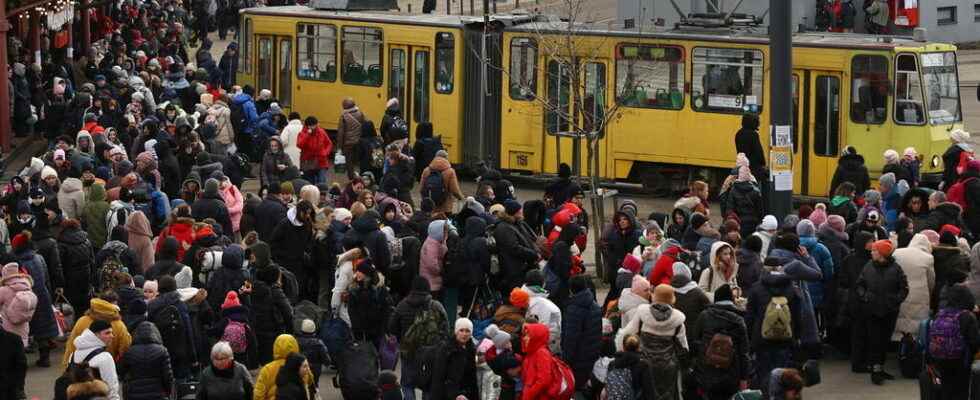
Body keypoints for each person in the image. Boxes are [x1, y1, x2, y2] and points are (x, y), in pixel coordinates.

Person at [617, 284, 688, 400]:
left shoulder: (642, 313)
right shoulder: (678, 321)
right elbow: (683, 348)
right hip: (667, 367)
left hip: (644, 363)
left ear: (654, 296)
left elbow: (626, 334)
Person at [745, 258, 804, 393]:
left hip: (762, 338)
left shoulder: (756, 288)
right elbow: (798, 316)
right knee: (783, 373)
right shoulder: (792, 289)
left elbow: (750, 316)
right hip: (785, 338)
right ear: (780, 268)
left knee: (763, 372)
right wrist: (798, 336)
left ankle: (767, 395)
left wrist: (750, 338)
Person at [854, 240, 908, 384]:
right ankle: (876, 370)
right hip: (872, 309)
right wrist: (864, 297)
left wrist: (895, 301)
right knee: (874, 341)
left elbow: (904, 288)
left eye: (874, 250)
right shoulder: (868, 266)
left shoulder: (896, 268)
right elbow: (860, 284)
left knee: (884, 340)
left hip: (889, 310)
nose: (871, 252)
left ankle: (880, 368)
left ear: (882, 253)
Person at [691, 285, 751, 400]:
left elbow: (695, 341)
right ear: (731, 300)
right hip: (731, 373)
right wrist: (744, 378)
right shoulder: (739, 320)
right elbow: (744, 352)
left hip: (706, 370)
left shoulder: (705, 315)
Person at [560, 275, 602, 389]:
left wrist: (565, 360)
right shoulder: (595, 305)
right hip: (592, 355)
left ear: (571, 289)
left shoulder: (574, 309)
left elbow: (571, 338)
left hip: (578, 359)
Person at [493, 200, 540, 298]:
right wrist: (533, 254)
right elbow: (514, 248)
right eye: (520, 210)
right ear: (515, 212)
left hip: (521, 268)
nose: (522, 212)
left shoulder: (516, 223)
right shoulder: (504, 228)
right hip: (513, 271)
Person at [892, 234, 934, 341]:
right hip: (920, 294)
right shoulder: (928, 258)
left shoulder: (897, 252)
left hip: (900, 291)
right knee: (917, 319)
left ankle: (897, 340)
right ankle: (913, 344)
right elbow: (931, 279)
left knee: (900, 316)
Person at [118, 321, 174, 400]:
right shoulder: (162, 351)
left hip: (134, 393)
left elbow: (121, 371)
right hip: (157, 393)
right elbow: (167, 376)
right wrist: (168, 391)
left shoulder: (130, 352)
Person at [70, 320, 121, 400]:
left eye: (111, 332)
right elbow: (112, 387)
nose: (112, 336)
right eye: (107, 333)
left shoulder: (73, 354)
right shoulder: (105, 357)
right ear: (96, 335)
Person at [430, 318, 479, 400]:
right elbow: (439, 377)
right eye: (461, 330)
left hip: (466, 395)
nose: (464, 334)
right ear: (456, 332)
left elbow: (472, 377)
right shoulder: (446, 348)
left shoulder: (471, 349)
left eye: (467, 331)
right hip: (447, 394)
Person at [254, 334, 314, 400]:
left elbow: (258, 394)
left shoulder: (267, 369)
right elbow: (310, 382)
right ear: (295, 346)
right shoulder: (300, 366)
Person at [419, 150, 464, 215]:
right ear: (446, 158)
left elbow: (421, 189)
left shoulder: (426, 170)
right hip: (445, 208)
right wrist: (461, 197)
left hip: (431, 208)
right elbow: (455, 191)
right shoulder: (450, 171)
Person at [297, 116, 333, 185]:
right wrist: (308, 135)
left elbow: (329, 144)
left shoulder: (321, 132)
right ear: (308, 126)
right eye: (313, 126)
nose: (315, 127)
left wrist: (325, 153)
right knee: (310, 184)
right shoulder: (302, 133)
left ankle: (321, 194)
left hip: (321, 162)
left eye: (316, 125)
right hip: (308, 163)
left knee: (322, 183)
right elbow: (299, 144)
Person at [336, 98, 365, 179]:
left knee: (349, 161)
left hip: (348, 143)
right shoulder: (360, 113)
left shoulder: (343, 116)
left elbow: (341, 133)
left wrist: (339, 147)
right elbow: (364, 125)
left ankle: (351, 178)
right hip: (359, 141)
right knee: (358, 160)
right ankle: (360, 176)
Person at [296, 319, 330, 387]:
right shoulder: (318, 343)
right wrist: (327, 362)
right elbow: (326, 359)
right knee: (314, 386)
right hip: (315, 371)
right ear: (314, 330)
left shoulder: (296, 341)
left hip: (300, 370)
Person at [0, 324, 27, 400]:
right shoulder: (14, 339)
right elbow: (22, 365)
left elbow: (21, 365)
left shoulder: (14, 339)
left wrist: (19, 386)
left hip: (8, 389)